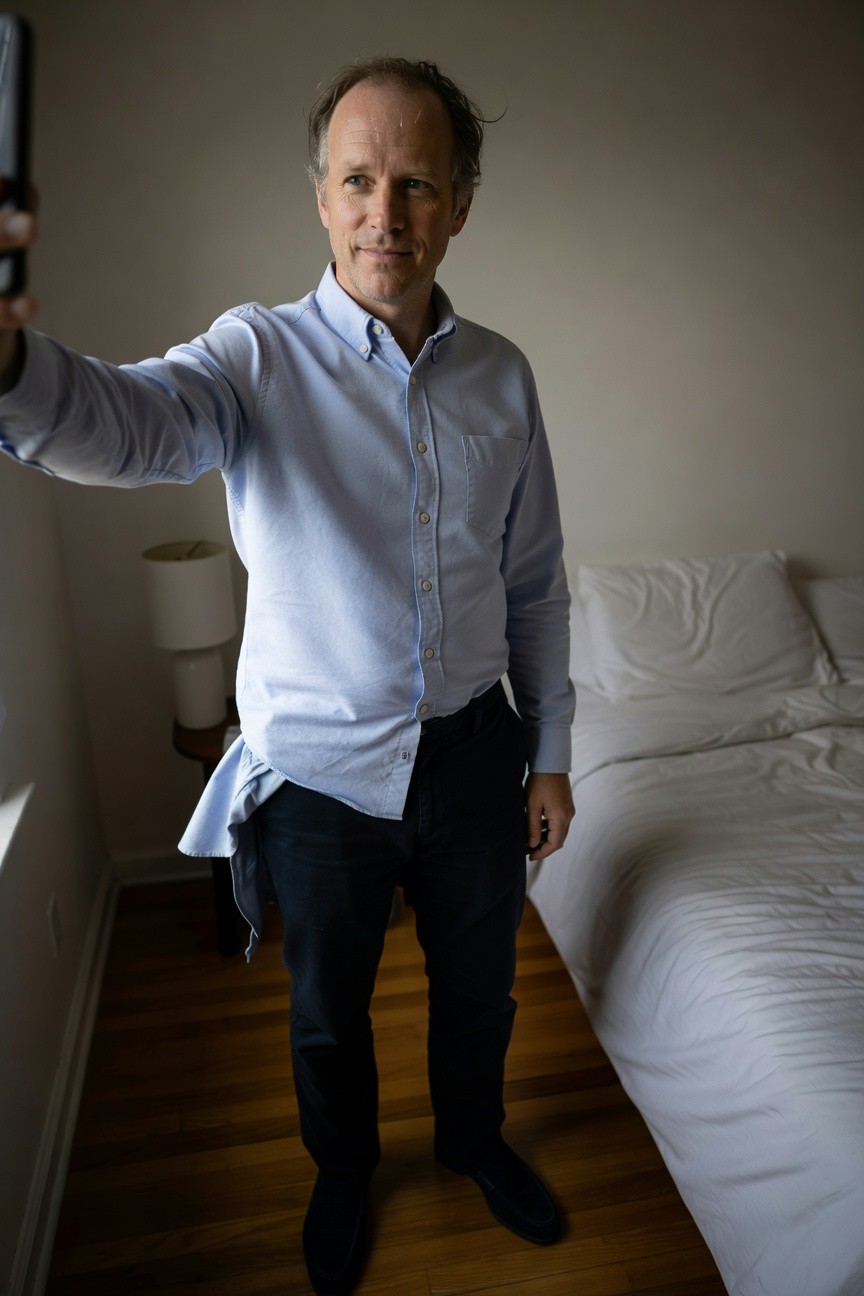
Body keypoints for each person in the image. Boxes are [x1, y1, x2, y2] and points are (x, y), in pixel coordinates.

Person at [0, 57, 575, 1296]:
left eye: (418, 183)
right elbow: (130, 421)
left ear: (460, 205)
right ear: (320, 198)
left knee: (483, 989)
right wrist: (10, 370)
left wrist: (556, 752)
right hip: (317, 773)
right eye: (360, 180)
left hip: (477, 753)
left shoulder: (505, 377)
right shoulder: (253, 358)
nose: (388, 213)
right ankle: (341, 1171)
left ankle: (473, 1142)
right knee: (327, 1012)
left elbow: (536, 584)